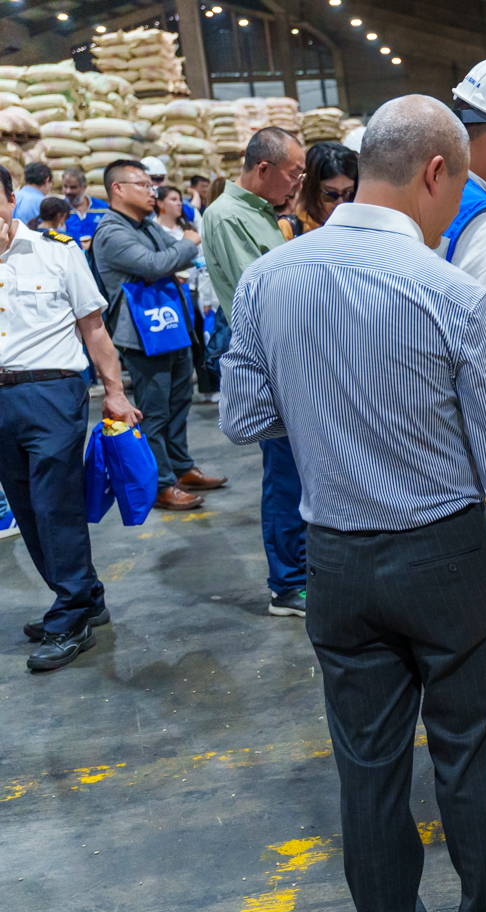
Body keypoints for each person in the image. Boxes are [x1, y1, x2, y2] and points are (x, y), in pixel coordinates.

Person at [219, 94, 486, 912]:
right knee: (469, 759)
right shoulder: (447, 290)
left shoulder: (271, 278)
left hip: (337, 559)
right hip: (447, 557)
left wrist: (330, 416)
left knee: (368, 773)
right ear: (436, 173)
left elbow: (244, 417)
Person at [0, 163, 143, 671]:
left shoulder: (56, 254)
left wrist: (115, 392)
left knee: (53, 501)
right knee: (26, 506)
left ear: (11, 198)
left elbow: (94, 329)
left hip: (52, 393)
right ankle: (84, 594)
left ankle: (72, 617)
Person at [202, 126, 308, 617]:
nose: (298, 183)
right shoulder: (226, 216)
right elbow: (264, 291)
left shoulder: (267, 215)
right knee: (285, 475)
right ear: (262, 169)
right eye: (294, 173)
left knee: (301, 473)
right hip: (273, 363)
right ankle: (286, 584)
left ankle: (301, 572)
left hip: (295, 358)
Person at [92, 158, 225, 512]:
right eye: (144, 185)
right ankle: (162, 484)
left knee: (178, 403)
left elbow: (163, 261)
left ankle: (181, 467)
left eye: (153, 186)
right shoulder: (111, 231)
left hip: (168, 326)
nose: (153, 191)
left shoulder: (145, 226)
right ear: (117, 189)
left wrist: (170, 256)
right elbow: (156, 264)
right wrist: (187, 241)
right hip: (142, 335)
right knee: (154, 411)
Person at [156, 186, 217, 402]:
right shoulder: (155, 231)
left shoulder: (188, 230)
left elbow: (202, 259)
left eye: (179, 199)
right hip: (168, 293)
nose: (179, 203)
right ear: (160, 204)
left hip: (193, 290)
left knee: (200, 340)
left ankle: (208, 386)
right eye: (173, 199)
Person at [291, 141, 358, 234]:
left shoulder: (359, 227)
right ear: (312, 190)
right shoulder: (291, 228)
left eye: (348, 193)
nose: (340, 202)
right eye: (331, 194)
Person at [139, 156, 196, 224]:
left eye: (160, 179)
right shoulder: (138, 206)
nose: (155, 183)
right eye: (152, 179)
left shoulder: (183, 205)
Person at [60, 167, 108, 245]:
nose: (68, 191)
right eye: (65, 187)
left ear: (84, 187)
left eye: (73, 187)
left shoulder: (101, 207)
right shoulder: (58, 209)